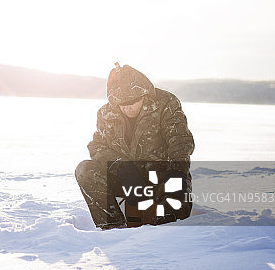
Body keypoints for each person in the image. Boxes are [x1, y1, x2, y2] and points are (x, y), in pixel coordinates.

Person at [75, 63, 195, 230]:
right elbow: (97, 147)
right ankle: (113, 229)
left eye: (131, 102)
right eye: (121, 104)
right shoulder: (106, 113)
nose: (126, 107)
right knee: (85, 170)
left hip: (163, 177)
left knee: (169, 223)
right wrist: (123, 169)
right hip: (129, 180)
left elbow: (180, 141)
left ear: (143, 95)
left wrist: (176, 173)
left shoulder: (166, 103)